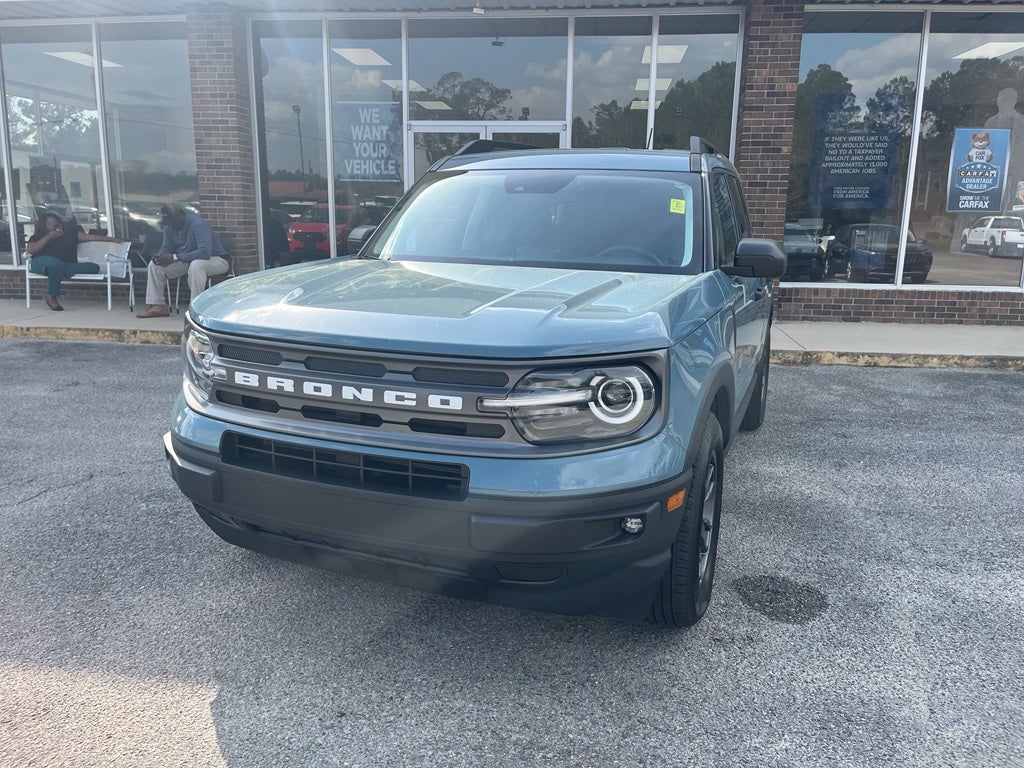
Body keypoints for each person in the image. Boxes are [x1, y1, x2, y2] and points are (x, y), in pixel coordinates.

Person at [136, 203, 230, 318]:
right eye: (168, 222)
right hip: (187, 260)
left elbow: (204, 253)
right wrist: (160, 256)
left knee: (196, 265)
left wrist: (176, 257)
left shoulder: (198, 224)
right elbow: (167, 246)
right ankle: (158, 306)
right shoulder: (169, 225)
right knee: (155, 266)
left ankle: (197, 308)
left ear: (180, 216)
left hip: (216, 260)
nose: (171, 226)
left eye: (172, 222)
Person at [26, 212, 125, 311]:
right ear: (43, 225)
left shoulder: (69, 234)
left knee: (94, 267)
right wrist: (49, 237)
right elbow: (31, 250)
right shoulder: (38, 236)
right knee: (54, 264)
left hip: (64, 265)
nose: (53, 225)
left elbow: (92, 237)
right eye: (49, 224)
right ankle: (51, 297)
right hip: (40, 262)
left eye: (55, 223)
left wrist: (113, 240)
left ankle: (58, 271)